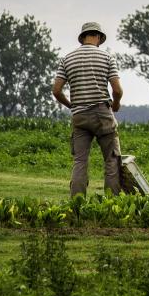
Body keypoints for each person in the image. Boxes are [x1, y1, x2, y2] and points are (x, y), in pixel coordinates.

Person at [52, 21, 123, 197]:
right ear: (98, 37)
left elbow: (56, 91)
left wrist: (72, 105)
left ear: (82, 38)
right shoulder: (107, 58)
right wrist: (116, 105)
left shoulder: (67, 59)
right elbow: (117, 90)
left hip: (79, 116)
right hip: (102, 114)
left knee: (80, 161)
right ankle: (112, 204)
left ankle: (77, 204)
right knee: (112, 160)